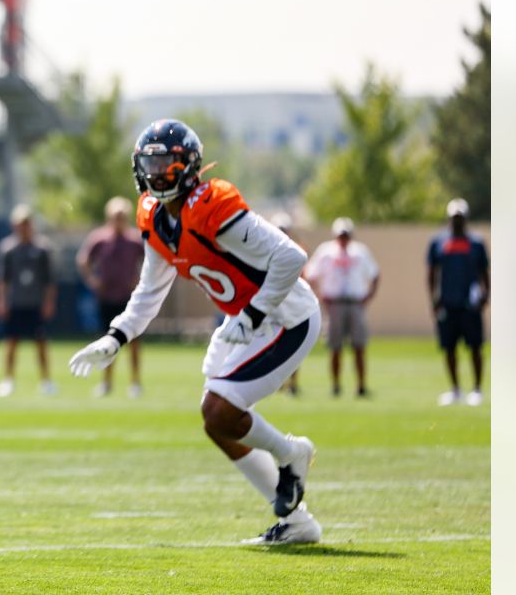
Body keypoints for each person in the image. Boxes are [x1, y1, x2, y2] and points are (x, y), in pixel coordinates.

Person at [69, 119, 323, 545]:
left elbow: (291, 258)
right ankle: (298, 524)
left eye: (166, 161)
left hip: (286, 316)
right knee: (218, 421)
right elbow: (149, 291)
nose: (156, 172)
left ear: (187, 165)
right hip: (244, 319)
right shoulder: (153, 215)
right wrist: (116, 337)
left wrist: (255, 313)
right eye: (149, 162)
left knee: (220, 409)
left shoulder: (214, 206)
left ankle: (290, 453)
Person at [76, 196, 145, 398]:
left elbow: (151, 261)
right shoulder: (99, 238)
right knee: (107, 341)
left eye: (122, 216)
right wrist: (92, 281)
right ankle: (106, 383)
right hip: (106, 298)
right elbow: (83, 260)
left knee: (134, 342)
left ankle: (135, 383)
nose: (119, 220)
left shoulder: (135, 240)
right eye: (116, 216)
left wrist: (141, 282)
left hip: (130, 300)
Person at [304, 217, 380, 398]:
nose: (343, 239)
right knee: (334, 346)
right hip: (335, 304)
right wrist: (319, 295)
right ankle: (336, 385)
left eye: (346, 235)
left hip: (355, 303)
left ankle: (361, 385)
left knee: (359, 345)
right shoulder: (326, 251)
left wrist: (368, 296)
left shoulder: (360, 252)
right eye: (341, 235)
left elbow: (375, 274)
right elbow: (311, 273)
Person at [428, 198, 489, 406]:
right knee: (449, 348)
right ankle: (455, 389)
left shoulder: (476, 243)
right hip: (448, 303)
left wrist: (485, 296)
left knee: (475, 347)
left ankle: (477, 389)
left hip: (469, 305)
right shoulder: (439, 243)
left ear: (466, 218)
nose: (457, 221)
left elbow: (484, 272)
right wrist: (434, 299)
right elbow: (432, 272)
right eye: (454, 217)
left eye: (460, 217)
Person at [0, 204, 58, 397]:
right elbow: (1, 280)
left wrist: (48, 302)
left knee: (40, 342)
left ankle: (46, 381)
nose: (24, 227)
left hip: (35, 303)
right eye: (20, 224)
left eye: (27, 223)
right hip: (15, 303)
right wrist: (1, 302)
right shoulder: (7, 249)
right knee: (11, 342)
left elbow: (49, 281)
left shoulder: (42, 248)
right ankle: (8, 380)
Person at [270, 212, 302, 397]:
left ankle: (293, 383)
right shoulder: (268, 249)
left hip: (291, 302)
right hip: (274, 303)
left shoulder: (296, 250)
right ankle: (277, 383)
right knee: (273, 344)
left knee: (294, 344)